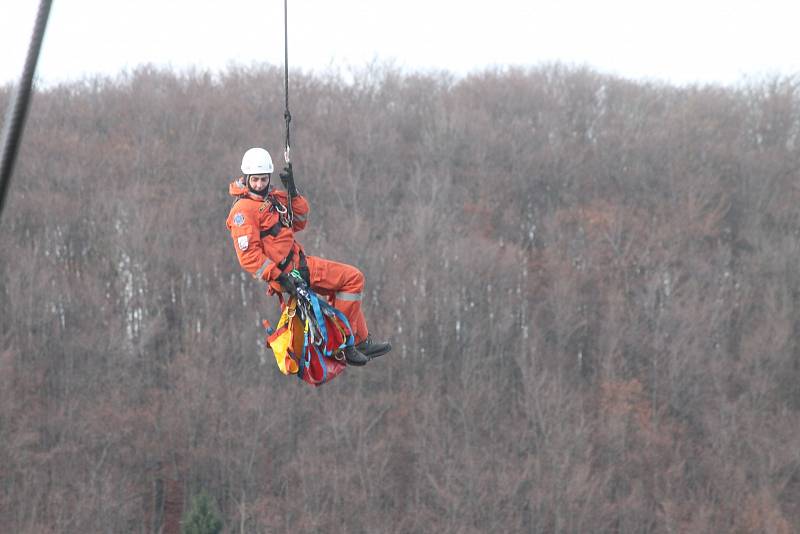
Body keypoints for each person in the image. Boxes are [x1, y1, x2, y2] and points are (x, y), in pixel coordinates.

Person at [226, 147, 391, 366]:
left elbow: (300, 220)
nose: (259, 185)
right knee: (353, 278)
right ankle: (343, 344)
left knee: (345, 285)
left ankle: (358, 341)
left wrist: (293, 192)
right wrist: (279, 276)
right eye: (254, 180)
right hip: (288, 273)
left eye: (263, 179)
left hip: (298, 263)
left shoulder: (272, 199)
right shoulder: (243, 212)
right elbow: (249, 257)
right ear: (246, 178)